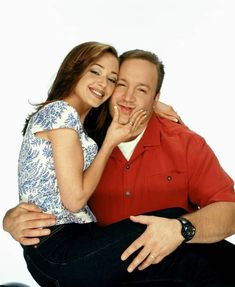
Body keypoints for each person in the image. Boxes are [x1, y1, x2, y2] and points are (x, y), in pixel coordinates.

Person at [3, 48, 235, 287]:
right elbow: (46, 178)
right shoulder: (86, 136)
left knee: (190, 249)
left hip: (162, 272)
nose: (128, 97)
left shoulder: (185, 143)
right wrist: (11, 218)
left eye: (142, 90)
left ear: (155, 97)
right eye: (121, 85)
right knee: (178, 227)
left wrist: (181, 229)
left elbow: (230, 212)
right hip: (90, 269)